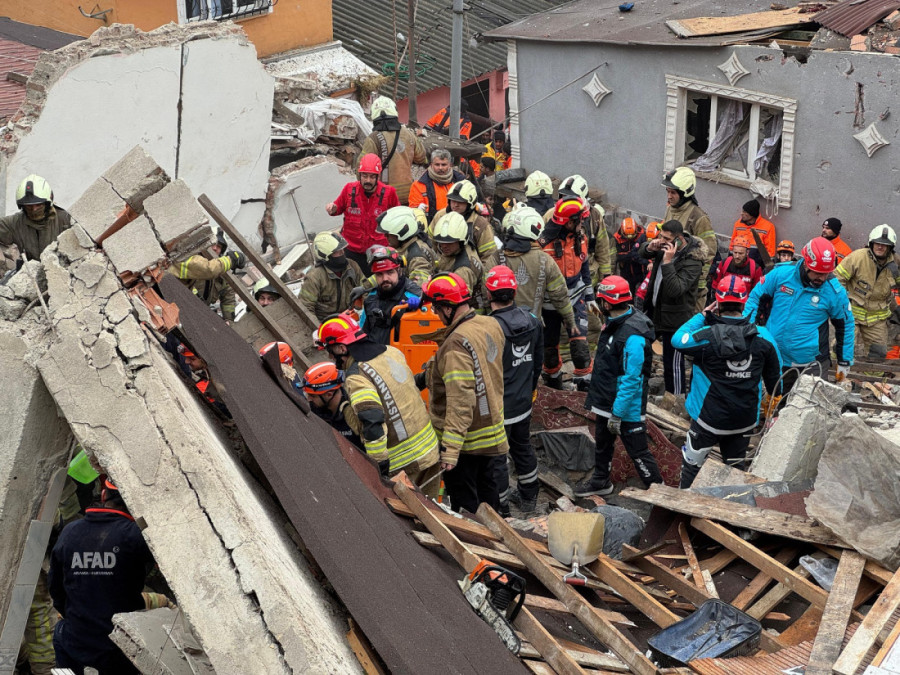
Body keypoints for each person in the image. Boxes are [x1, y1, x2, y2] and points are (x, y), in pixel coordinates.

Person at [672, 275, 782, 488]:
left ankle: (681, 513)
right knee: (734, 474)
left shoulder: (705, 335)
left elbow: (678, 339)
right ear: (744, 302)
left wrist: (703, 316)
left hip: (707, 420)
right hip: (744, 419)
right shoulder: (764, 337)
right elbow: (776, 381)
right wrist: (772, 408)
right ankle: (729, 515)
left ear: (717, 302)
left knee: (691, 469)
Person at [316, 313, 441, 492]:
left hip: (404, 466)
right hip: (430, 451)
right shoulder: (392, 352)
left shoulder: (357, 376)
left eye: (330, 350)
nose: (330, 355)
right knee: (433, 513)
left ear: (342, 349)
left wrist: (379, 469)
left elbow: (372, 423)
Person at [419, 273, 508, 513]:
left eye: (438, 309)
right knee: (488, 491)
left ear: (448, 308)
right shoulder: (488, 323)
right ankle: (497, 532)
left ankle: (472, 543)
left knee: (465, 503)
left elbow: (460, 400)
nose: (437, 315)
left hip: (466, 441)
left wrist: (450, 450)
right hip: (491, 429)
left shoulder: (455, 345)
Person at [49, 479, 153, 675]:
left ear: (104, 496)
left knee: (60, 631)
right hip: (118, 643)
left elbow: (56, 590)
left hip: (77, 638)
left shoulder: (70, 531)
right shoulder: (135, 536)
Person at [575, 276, 662, 497]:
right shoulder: (616, 323)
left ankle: (659, 493)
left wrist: (618, 413)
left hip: (624, 408)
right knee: (603, 444)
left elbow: (632, 378)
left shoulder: (632, 335)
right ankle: (600, 481)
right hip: (606, 402)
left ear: (606, 303)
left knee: (639, 452)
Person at [745, 237, 854, 393]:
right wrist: (750, 333)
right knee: (774, 404)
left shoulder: (834, 291)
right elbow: (755, 298)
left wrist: (844, 360)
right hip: (776, 357)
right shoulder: (781, 275)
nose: (822, 278)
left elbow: (846, 323)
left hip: (811, 364)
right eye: (817, 273)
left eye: (826, 273)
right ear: (806, 263)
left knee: (810, 410)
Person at [486, 265, 543, 515]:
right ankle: (530, 496)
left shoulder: (489, 328)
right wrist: (530, 390)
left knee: (497, 457)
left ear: (489, 294)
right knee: (522, 446)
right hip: (522, 401)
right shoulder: (533, 321)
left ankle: (501, 508)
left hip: (499, 406)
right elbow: (537, 361)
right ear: (514, 291)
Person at [639, 220, 709, 396]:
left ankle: (676, 398)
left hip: (676, 317)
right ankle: (641, 387)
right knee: (640, 348)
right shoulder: (664, 246)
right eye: (661, 236)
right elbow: (641, 252)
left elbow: (676, 289)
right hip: (655, 310)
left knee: (673, 362)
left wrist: (668, 262)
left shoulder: (693, 260)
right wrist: (650, 247)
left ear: (678, 240)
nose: (662, 240)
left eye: (666, 238)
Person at [541, 197, 595, 391]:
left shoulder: (580, 237)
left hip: (575, 300)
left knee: (580, 349)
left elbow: (585, 264)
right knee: (550, 352)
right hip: (549, 306)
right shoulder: (543, 243)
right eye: (580, 220)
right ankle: (553, 386)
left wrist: (590, 297)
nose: (583, 224)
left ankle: (584, 389)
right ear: (569, 221)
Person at [498, 206, 576, 327]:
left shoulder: (495, 258)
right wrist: (570, 319)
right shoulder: (545, 260)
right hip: (532, 328)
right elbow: (560, 295)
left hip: (500, 327)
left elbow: (485, 296)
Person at [835, 225, 900, 358]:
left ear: (890, 248)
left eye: (884, 245)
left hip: (877, 318)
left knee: (878, 354)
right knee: (841, 348)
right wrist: (842, 301)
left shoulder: (896, 264)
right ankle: (836, 377)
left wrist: (896, 308)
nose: (880, 247)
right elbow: (837, 279)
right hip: (851, 313)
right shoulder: (858, 257)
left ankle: (870, 379)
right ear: (871, 243)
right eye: (877, 243)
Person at [326, 154, 398, 274]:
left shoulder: (389, 193)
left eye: (371, 177)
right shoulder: (349, 189)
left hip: (379, 252)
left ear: (378, 176)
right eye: (364, 176)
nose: (368, 180)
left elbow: (398, 218)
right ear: (359, 175)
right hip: (352, 251)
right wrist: (332, 208)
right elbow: (337, 207)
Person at [661, 167, 716, 312]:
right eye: (668, 191)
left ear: (685, 193)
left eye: (673, 192)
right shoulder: (669, 210)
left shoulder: (698, 217)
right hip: (671, 279)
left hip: (691, 287)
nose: (669, 196)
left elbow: (709, 251)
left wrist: (699, 282)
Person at [359, 96, 428, 205]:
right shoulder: (409, 134)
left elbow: (362, 165)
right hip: (407, 193)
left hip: (384, 195)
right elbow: (421, 157)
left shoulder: (373, 138)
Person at [358, 245, 423, 344]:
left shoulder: (414, 295)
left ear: (399, 271)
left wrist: (421, 308)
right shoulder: (371, 299)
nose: (385, 279)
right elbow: (362, 333)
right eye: (379, 274)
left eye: (390, 272)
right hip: (376, 356)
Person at [0, 175, 72, 263]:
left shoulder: (65, 219)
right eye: (29, 206)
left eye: (38, 205)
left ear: (47, 203)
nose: (34, 209)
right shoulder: (16, 223)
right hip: (33, 273)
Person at [431, 180, 499, 268]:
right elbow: (430, 244)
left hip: (467, 271)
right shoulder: (440, 216)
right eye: (453, 200)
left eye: (460, 201)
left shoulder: (480, 225)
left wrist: (481, 278)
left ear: (470, 203)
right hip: (440, 269)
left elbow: (489, 257)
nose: (455, 205)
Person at [300, 231, 364, 322]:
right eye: (337, 251)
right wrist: (318, 328)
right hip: (326, 322)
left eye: (342, 249)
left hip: (350, 318)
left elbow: (365, 289)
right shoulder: (314, 277)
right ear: (326, 255)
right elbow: (306, 308)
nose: (342, 253)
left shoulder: (352, 266)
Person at [178, 229, 238, 321]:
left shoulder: (221, 273)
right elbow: (208, 269)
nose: (215, 248)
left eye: (219, 246)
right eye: (213, 243)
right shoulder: (191, 258)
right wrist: (231, 260)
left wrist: (228, 320)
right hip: (180, 306)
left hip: (200, 314)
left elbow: (228, 296)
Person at [302, 361, 362, 448]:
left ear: (329, 394)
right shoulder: (315, 408)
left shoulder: (354, 415)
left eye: (312, 396)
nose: (309, 399)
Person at [433, 211, 486, 309]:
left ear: (461, 241)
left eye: (449, 243)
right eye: (441, 242)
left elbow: (457, 302)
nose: (444, 246)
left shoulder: (463, 269)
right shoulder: (460, 248)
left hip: (468, 312)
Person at [375, 206, 436, 286]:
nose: (385, 237)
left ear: (402, 233)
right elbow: (384, 271)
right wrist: (365, 286)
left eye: (388, 234)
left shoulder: (416, 256)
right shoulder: (403, 247)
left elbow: (418, 288)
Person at [408, 149, 466, 225]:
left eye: (443, 164)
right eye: (437, 164)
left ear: (450, 165)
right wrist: (417, 209)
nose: (440, 168)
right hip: (431, 225)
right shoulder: (419, 184)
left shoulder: (460, 181)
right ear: (431, 164)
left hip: (456, 223)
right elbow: (413, 210)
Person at [730, 199, 776, 266]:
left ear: (752, 214)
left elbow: (770, 251)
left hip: (757, 264)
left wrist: (766, 267)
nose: (741, 213)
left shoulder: (768, 227)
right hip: (739, 261)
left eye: (745, 212)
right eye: (742, 211)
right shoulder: (738, 224)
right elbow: (732, 243)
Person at [613, 217, 648, 296]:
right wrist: (633, 255)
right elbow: (617, 256)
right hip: (626, 272)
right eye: (627, 235)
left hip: (640, 270)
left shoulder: (642, 235)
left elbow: (643, 253)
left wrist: (629, 255)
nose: (629, 237)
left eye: (632, 235)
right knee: (628, 294)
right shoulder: (616, 238)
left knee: (642, 293)